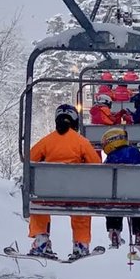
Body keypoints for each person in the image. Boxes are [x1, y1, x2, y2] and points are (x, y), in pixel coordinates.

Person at [27, 103, 100, 259]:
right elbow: (96, 163)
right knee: (81, 210)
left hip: (49, 192)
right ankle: (80, 244)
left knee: (38, 206)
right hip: (75, 192)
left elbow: (30, 158)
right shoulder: (81, 142)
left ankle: (41, 240)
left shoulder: (47, 141)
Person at [99, 127, 140, 249]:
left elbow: (105, 176)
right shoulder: (134, 152)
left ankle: (114, 230)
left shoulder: (110, 158)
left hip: (117, 194)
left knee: (112, 205)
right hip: (136, 193)